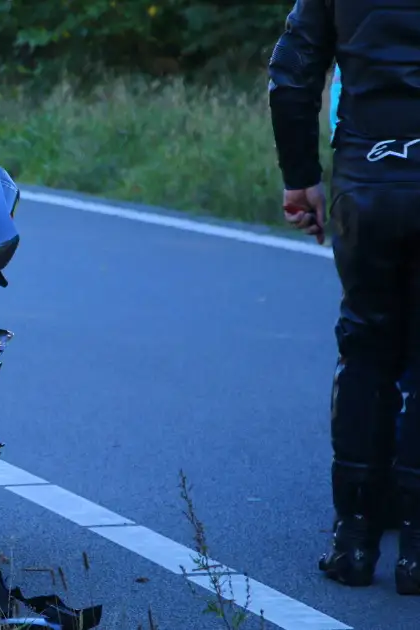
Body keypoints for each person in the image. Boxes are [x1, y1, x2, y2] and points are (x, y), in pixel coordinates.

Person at [269, 0, 420, 594]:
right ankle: (415, 552)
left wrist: (300, 175)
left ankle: (354, 542)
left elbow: (291, 71)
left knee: (364, 351)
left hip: (367, 180)